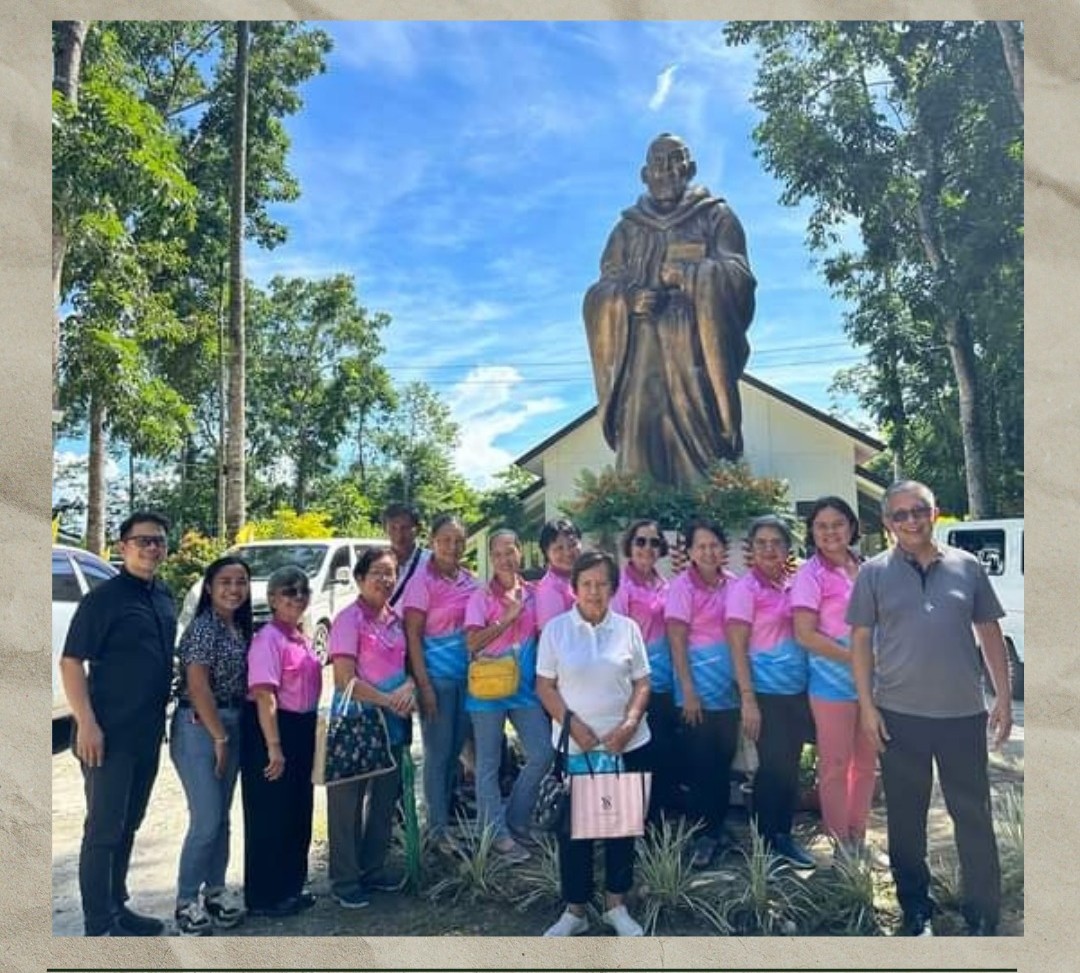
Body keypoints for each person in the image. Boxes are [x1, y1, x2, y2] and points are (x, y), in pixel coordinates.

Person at [850, 480, 1012, 937]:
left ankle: (982, 911)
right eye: (899, 515)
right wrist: (867, 707)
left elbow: (990, 633)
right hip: (899, 717)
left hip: (962, 716)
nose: (910, 521)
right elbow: (860, 641)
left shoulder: (968, 567)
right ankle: (915, 908)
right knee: (906, 821)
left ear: (935, 512)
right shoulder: (873, 574)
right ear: (887, 524)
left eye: (918, 510)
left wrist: (1002, 695)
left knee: (973, 816)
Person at [583, 133, 756, 486]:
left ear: (689, 168)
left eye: (675, 161)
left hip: (696, 349)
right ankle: (638, 516)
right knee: (641, 428)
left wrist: (690, 277)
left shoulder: (716, 217)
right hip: (641, 349)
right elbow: (602, 287)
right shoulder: (627, 230)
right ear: (644, 174)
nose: (666, 172)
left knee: (703, 438)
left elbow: (739, 276)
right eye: (657, 164)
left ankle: (709, 515)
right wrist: (626, 299)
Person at [60, 511, 177, 937]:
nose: (151, 547)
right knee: (104, 827)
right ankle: (98, 924)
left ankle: (117, 906)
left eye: (159, 541)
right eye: (142, 540)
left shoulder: (164, 595)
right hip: (106, 735)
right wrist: (86, 723)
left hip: (147, 733)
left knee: (130, 822)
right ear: (123, 546)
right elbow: (71, 661)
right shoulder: (103, 600)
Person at [536, 551, 651, 937]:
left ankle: (617, 906)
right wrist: (573, 727)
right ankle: (575, 911)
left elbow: (642, 682)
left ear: (614, 588)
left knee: (621, 829)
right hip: (577, 747)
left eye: (602, 584)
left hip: (623, 744)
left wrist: (630, 723)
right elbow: (545, 686)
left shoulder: (628, 629)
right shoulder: (556, 630)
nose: (594, 591)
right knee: (574, 832)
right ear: (574, 589)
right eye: (586, 584)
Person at [326, 547, 416, 908]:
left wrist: (408, 687)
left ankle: (373, 869)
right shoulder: (349, 620)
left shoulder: (396, 619)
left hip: (392, 725)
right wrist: (388, 699)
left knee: (382, 801)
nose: (384, 579)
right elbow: (343, 680)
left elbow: (408, 665)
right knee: (346, 805)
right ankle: (345, 879)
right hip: (356, 725)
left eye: (390, 572)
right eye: (376, 572)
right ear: (360, 578)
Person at [170, 556, 252, 935]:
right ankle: (186, 901)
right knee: (205, 819)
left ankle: (215, 891)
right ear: (208, 587)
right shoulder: (204, 628)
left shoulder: (236, 627)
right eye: (225, 582)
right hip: (200, 727)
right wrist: (219, 736)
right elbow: (198, 686)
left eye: (240, 582)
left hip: (231, 723)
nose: (234, 589)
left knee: (221, 817)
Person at [726, 515, 814, 868]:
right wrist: (748, 700)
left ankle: (782, 834)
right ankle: (769, 841)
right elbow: (736, 645)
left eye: (775, 542)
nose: (768, 549)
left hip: (798, 691)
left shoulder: (794, 584)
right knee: (773, 768)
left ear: (786, 548)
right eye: (760, 543)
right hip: (764, 692)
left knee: (789, 766)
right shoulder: (745, 590)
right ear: (751, 549)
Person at [790, 496, 877, 854]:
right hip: (831, 686)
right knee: (835, 766)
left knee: (868, 764)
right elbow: (805, 634)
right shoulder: (809, 575)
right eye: (821, 526)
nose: (830, 532)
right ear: (812, 532)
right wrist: (856, 658)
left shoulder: (869, 567)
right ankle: (840, 842)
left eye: (837, 524)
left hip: (872, 687)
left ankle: (859, 835)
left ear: (852, 527)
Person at [464, 529, 553, 861]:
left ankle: (515, 821)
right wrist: (506, 619)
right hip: (487, 690)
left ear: (520, 552)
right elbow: (471, 643)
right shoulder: (480, 597)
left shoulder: (534, 593)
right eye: (497, 553)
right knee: (487, 765)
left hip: (525, 691)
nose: (504, 558)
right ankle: (497, 835)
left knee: (543, 753)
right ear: (491, 558)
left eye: (509, 551)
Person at [240, 565, 323, 918]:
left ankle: (291, 886)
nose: (298, 598)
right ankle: (264, 895)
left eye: (303, 591)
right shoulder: (268, 639)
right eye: (289, 591)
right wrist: (274, 746)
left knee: (297, 810)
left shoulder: (301, 638)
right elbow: (264, 695)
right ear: (273, 598)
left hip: (302, 728)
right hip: (272, 729)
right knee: (269, 814)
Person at [401, 513, 478, 848]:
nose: (452, 546)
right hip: (436, 680)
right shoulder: (421, 581)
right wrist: (425, 686)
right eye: (445, 539)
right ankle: (435, 829)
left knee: (454, 755)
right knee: (437, 753)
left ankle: (443, 819)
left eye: (459, 540)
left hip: (469, 681)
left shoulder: (471, 580)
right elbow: (413, 636)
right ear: (432, 542)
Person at [665, 518, 738, 869]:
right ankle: (701, 836)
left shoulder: (735, 585)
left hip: (729, 696)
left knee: (723, 765)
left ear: (723, 548)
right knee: (700, 768)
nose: (708, 552)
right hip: (695, 696)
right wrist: (689, 691)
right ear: (691, 552)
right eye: (701, 546)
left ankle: (718, 827)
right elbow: (676, 640)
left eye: (714, 545)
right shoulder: (682, 587)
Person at [611, 519, 679, 822]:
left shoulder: (664, 584)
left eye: (654, 542)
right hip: (634, 685)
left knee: (662, 754)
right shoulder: (620, 587)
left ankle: (657, 823)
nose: (647, 548)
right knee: (636, 755)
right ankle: (633, 823)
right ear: (629, 545)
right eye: (640, 541)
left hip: (664, 683)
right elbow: (615, 638)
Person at [534, 518, 582, 630]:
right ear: (547, 553)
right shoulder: (549, 588)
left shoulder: (586, 576)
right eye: (559, 548)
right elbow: (553, 636)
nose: (568, 552)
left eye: (572, 544)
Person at [383, 502, 428, 609]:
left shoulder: (432, 562)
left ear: (418, 529)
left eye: (405, 528)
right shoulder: (376, 562)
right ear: (385, 529)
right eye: (393, 528)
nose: (399, 534)